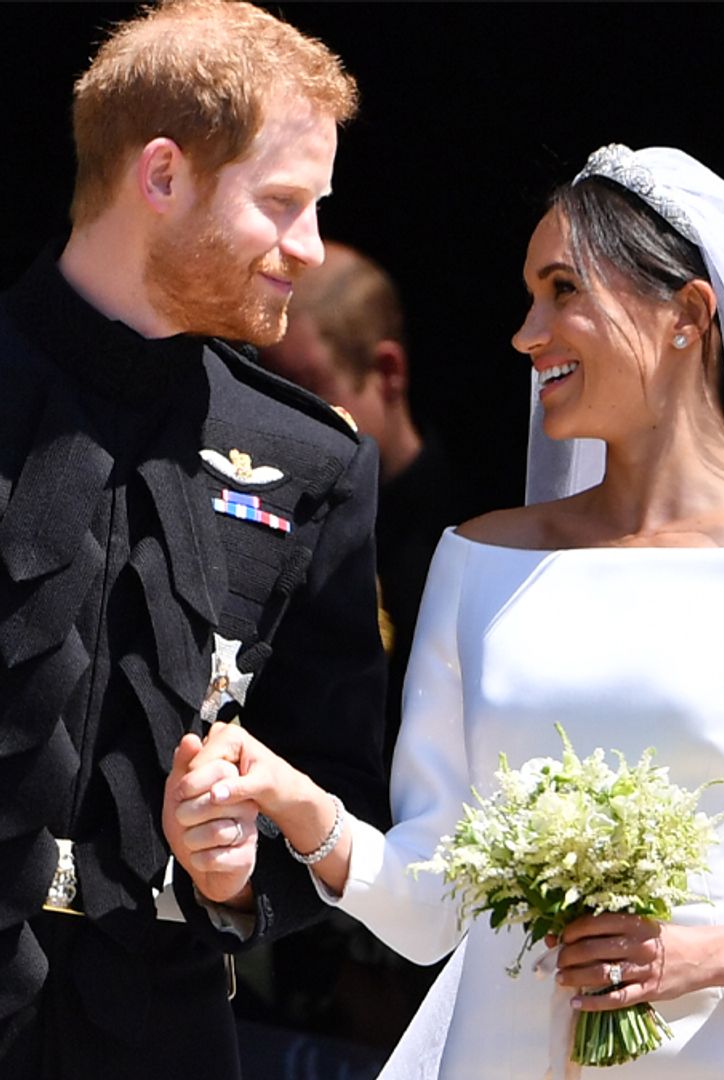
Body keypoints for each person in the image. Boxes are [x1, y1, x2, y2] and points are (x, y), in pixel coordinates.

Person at [166, 145, 724, 1079]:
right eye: (529, 295)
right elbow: (431, 908)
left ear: (688, 316)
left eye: (562, 290)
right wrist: (296, 804)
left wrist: (698, 955)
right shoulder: (479, 562)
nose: (526, 334)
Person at [0, 2, 389, 1077]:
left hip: (161, 1039)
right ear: (162, 175)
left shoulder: (313, 461)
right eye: (282, 204)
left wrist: (237, 870)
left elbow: (343, 778)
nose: (310, 250)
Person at [258, 241, 475, 761]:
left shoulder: (474, 536)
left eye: (304, 388)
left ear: (388, 372)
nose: (277, 417)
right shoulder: (266, 508)